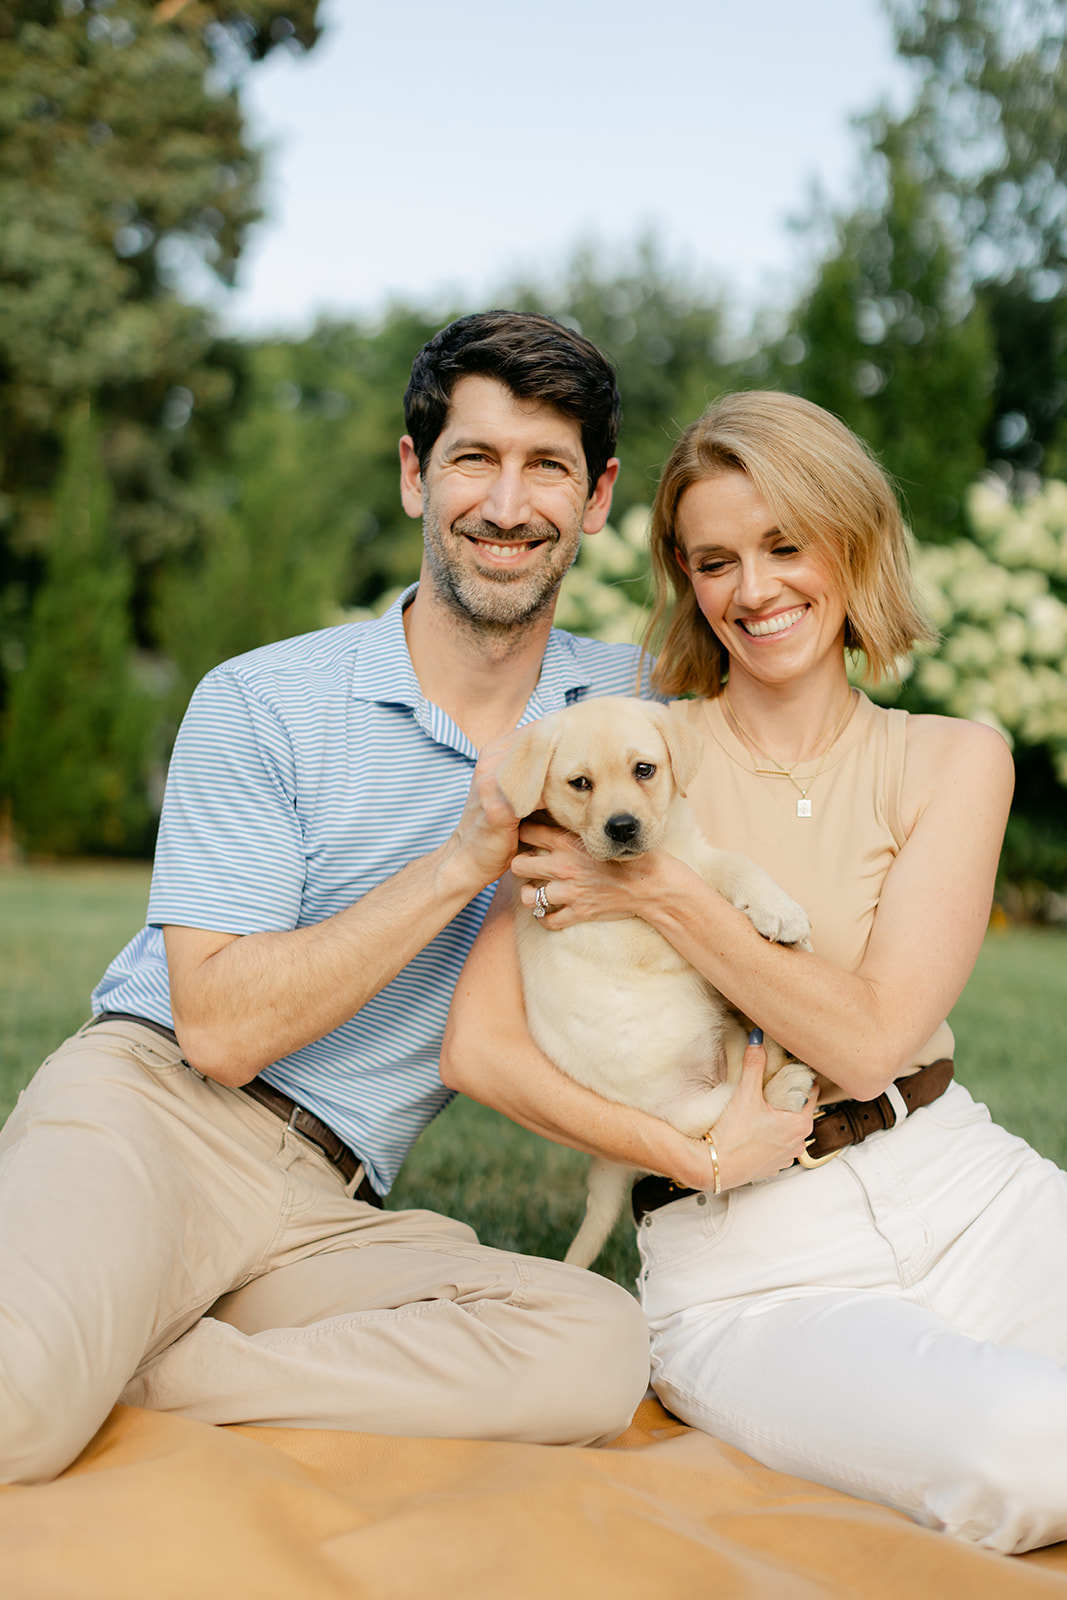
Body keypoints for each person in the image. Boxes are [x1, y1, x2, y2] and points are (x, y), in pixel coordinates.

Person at [0, 310, 681, 1485]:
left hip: (329, 1201)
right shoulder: (265, 699)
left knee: (592, 1343)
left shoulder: (635, 712)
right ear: (416, 475)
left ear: (598, 495)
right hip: (151, 1115)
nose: (507, 503)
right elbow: (215, 1026)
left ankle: (154, 1369)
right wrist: (464, 860)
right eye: (474, 458)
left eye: (546, 468)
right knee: (13, 1410)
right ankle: (86, 1346)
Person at [442, 389, 1067, 1555]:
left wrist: (661, 889)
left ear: (850, 543)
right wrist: (691, 1154)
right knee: (1032, 1449)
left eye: (786, 544)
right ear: (686, 581)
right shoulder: (618, 760)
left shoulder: (950, 758)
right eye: (714, 559)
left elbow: (872, 1037)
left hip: (960, 1185)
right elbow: (476, 1046)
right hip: (751, 1267)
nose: (755, 587)